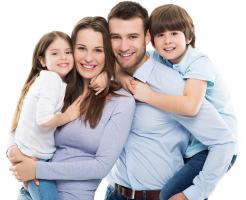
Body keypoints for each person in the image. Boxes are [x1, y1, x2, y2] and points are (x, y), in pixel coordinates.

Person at [104, 1, 236, 200]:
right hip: (115, 193)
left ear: (146, 37)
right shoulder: (108, 72)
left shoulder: (180, 80)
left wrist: (192, 194)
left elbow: (224, 141)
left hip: (162, 194)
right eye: (116, 37)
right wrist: (121, 78)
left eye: (132, 36)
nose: (123, 46)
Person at [8, 16, 135, 200]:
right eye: (81, 48)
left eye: (98, 50)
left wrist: (37, 169)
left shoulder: (121, 102)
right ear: (71, 50)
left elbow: (101, 166)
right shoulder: (58, 86)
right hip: (32, 191)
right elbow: (22, 125)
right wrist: (13, 151)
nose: (89, 58)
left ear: (107, 54)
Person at [9, 30, 81, 200]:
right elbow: (44, 120)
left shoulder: (49, 80)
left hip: (37, 158)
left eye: (68, 52)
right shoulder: (51, 80)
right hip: (35, 160)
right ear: (42, 60)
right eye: (55, 53)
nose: (63, 57)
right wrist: (67, 116)